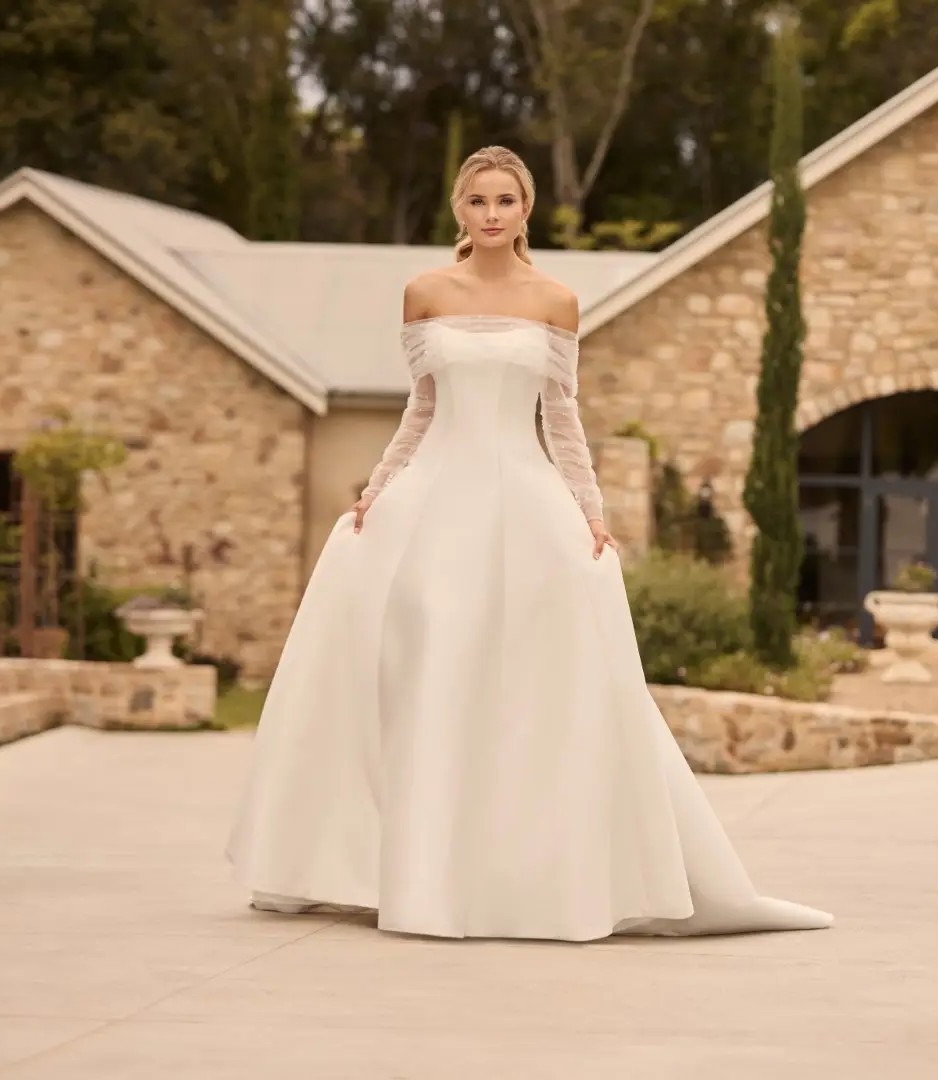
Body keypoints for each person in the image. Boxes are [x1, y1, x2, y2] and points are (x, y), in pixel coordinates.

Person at [225, 146, 833, 942]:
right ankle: (416, 875)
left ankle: (521, 874)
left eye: (504, 200)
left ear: (524, 210)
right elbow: (421, 406)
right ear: (458, 209)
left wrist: (590, 510)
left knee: (538, 680)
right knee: (428, 662)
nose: (489, 214)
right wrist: (376, 488)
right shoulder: (424, 293)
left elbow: (562, 418)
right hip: (430, 505)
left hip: (524, 501)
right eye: (476, 200)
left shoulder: (555, 301)